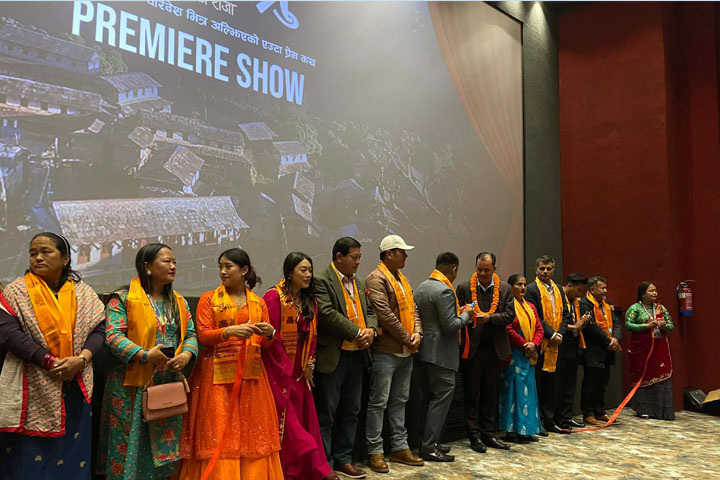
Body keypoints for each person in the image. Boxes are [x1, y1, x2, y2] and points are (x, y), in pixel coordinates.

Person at [0, 232, 105, 479]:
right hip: (33, 385)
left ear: (65, 258)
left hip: (74, 384)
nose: (38, 257)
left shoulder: (84, 293)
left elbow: (100, 329)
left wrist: (82, 359)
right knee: (27, 457)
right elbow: (8, 333)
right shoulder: (16, 291)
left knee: (73, 453)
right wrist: (48, 361)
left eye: (45, 252)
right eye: (33, 253)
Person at [97, 243, 198, 479]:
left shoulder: (178, 301)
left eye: (174, 262)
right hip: (130, 385)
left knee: (162, 447)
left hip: (166, 383)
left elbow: (191, 335)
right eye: (167, 261)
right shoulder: (122, 299)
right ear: (147, 267)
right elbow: (112, 335)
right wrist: (144, 355)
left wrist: (185, 355)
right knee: (128, 445)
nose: (173, 266)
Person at [179, 248, 282, 479]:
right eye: (220, 267)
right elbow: (203, 336)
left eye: (228, 266)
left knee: (251, 432)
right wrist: (228, 332)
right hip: (215, 376)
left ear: (244, 270)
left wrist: (269, 333)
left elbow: (266, 345)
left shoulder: (258, 303)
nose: (222, 272)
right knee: (217, 429)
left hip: (251, 376)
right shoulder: (208, 299)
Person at [263, 252, 337, 480]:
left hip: (300, 366)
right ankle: (287, 470)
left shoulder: (309, 300)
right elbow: (270, 335)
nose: (308, 275)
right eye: (303, 270)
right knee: (288, 420)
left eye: (310, 270)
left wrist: (309, 364)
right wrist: (285, 365)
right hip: (277, 366)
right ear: (289, 273)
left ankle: (310, 467)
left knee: (304, 416)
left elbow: (312, 336)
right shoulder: (273, 297)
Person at [314, 237, 377, 480]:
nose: (358, 262)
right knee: (327, 413)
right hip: (334, 356)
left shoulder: (359, 282)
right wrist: (357, 332)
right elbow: (327, 313)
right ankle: (326, 463)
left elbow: (370, 311)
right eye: (354, 257)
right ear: (339, 257)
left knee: (352, 410)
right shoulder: (322, 280)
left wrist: (371, 330)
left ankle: (344, 459)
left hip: (357, 356)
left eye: (360, 257)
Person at [364, 234, 424, 473]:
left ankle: (400, 447)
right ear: (389, 254)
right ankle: (375, 451)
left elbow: (414, 309)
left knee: (400, 401)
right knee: (378, 402)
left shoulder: (402, 279)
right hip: (386, 351)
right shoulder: (375, 279)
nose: (406, 256)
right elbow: (385, 315)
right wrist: (408, 338)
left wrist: (418, 333)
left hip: (406, 351)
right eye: (402, 252)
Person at [413, 252, 472, 462]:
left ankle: (430, 442)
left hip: (424, 352)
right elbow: (450, 326)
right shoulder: (445, 290)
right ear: (453, 269)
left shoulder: (422, 287)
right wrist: (466, 314)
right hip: (441, 354)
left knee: (429, 400)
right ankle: (429, 447)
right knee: (441, 400)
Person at [456, 252, 514, 452]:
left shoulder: (505, 289)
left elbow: (510, 315)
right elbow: (457, 313)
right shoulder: (464, 287)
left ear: (494, 269)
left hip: (495, 349)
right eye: (479, 269)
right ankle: (474, 436)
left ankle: (489, 434)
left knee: (490, 393)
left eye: (486, 270)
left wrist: (489, 318)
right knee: (472, 394)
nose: (482, 274)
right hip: (472, 350)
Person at [524, 255, 571, 434]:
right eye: (542, 268)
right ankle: (539, 422)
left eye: (548, 269)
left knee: (553, 385)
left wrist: (560, 334)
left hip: (556, 345)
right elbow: (536, 317)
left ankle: (550, 420)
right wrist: (551, 334)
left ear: (553, 270)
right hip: (541, 344)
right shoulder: (531, 289)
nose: (545, 272)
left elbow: (566, 315)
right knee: (539, 384)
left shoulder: (559, 289)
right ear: (536, 269)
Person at [499, 274, 543, 443]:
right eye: (519, 285)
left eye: (524, 284)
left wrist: (534, 344)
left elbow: (539, 328)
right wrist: (525, 344)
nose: (523, 288)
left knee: (528, 392)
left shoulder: (530, 306)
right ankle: (512, 431)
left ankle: (527, 430)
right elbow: (508, 329)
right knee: (513, 391)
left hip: (528, 355)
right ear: (511, 287)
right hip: (514, 354)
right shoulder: (508, 307)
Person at [625, 282, 675, 420]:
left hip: (659, 347)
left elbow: (671, 326)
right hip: (641, 348)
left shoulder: (660, 308)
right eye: (651, 291)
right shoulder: (635, 308)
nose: (655, 293)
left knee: (661, 375)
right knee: (644, 376)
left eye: (655, 291)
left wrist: (664, 325)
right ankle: (644, 409)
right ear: (642, 294)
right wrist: (646, 325)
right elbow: (628, 325)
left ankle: (662, 411)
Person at [578, 276, 621, 426]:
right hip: (594, 350)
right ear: (592, 289)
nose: (605, 291)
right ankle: (588, 413)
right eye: (602, 288)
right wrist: (608, 341)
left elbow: (616, 323)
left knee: (603, 382)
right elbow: (591, 327)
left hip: (608, 349)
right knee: (591, 383)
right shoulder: (585, 304)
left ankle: (600, 411)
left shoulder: (606, 304)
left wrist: (616, 338)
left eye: (605, 287)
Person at [555, 273, 591, 429]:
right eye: (578, 290)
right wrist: (574, 326)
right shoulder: (558, 297)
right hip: (560, 344)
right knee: (559, 384)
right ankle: (557, 418)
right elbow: (555, 322)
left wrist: (581, 324)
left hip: (574, 345)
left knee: (570, 384)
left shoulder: (575, 302)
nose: (580, 295)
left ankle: (567, 416)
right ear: (569, 286)